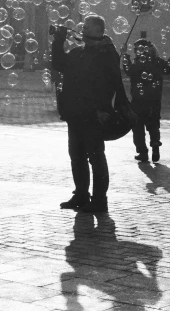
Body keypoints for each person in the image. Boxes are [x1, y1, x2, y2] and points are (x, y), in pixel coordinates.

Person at [51, 15, 129, 213]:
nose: (82, 29)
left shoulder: (106, 53)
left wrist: (102, 108)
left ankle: (100, 200)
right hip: (74, 113)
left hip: (93, 114)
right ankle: (81, 195)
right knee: (76, 156)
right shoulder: (79, 52)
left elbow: (111, 83)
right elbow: (59, 63)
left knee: (96, 156)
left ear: (97, 31)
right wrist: (58, 40)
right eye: (82, 26)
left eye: (86, 27)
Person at [121, 39, 170, 163]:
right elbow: (168, 70)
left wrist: (125, 55)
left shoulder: (138, 63)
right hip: (154, 99)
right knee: (153, 124)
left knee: (138, 127)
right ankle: (155, 145)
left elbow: (128, 71)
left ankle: (143, 153)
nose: (135, 52)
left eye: (136, 49)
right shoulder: (157, 62)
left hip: (138, 100)